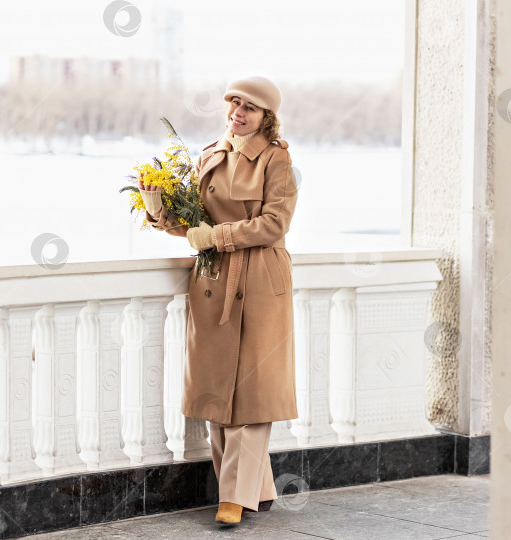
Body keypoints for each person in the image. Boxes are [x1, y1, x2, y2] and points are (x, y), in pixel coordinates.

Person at [137, 75, 299, 526]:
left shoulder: (276, 160)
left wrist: (217, 236)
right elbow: (192, 222)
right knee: (215, 391)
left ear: (266, 116)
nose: (237, 113)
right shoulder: (209, 155)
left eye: (248, 107)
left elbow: (274, 224)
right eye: (233, 104)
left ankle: (233, 495)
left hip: (261, 281)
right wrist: (158, 212)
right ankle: (254, 488)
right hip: (212, 281)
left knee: (251, 391)